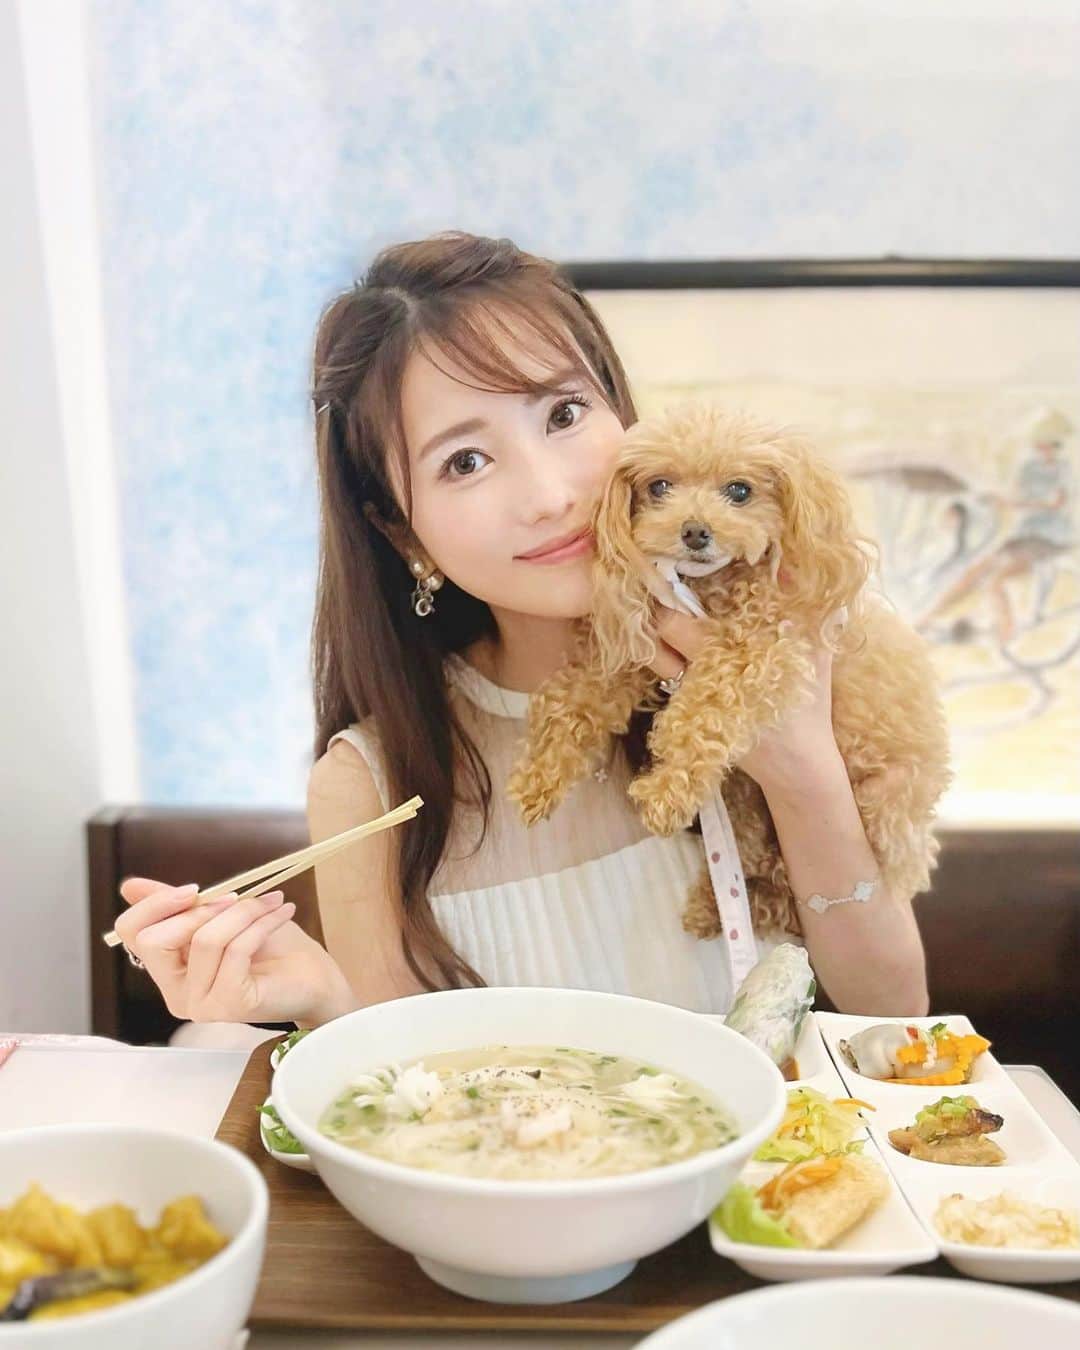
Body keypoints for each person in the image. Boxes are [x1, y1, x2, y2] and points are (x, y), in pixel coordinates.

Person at [113, 231, 930, 1035]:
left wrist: (803, 777)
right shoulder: (372, 784)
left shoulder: (794, 648)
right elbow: (399, 1083)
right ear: (401, 532)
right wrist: (323, 1004)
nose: (549, 496)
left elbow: (894, 1020)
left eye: (565, 413)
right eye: (465, 462)